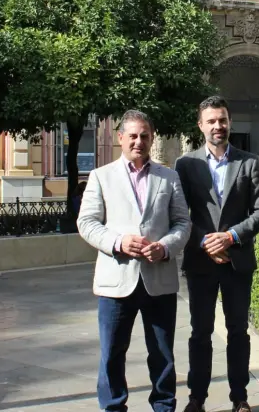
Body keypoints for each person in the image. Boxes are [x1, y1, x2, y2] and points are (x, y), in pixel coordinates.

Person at [77, 109, 191, 412]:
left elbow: (183, 222)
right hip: (116, 281)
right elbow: (86, 222)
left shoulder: (169, 176)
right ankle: (113, 407)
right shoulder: (101, 176)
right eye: (133, 136)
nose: (138, 141)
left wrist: (165, 247)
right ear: (120, 138)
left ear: (152, 138)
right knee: (112, 353)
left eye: (144, 136)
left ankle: (164, 406)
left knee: (163, 354)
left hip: (159, 279)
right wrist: (118, 242)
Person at [174, 96, 259, 412]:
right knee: (200, 332)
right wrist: (205, 242)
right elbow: (180, 214)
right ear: (200, 126)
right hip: (201, 262)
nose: (218, 126)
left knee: (238, 331)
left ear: (230, 122)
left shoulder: (249, 162)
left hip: (236, 261)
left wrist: (230, 237)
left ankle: (239, 397)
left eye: (223, 120)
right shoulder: (186, 164)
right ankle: (197, 398)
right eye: (212, 121)